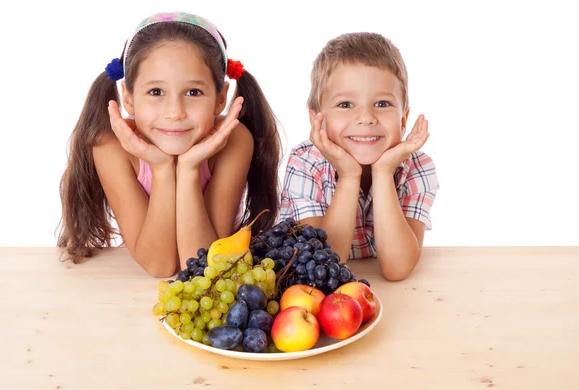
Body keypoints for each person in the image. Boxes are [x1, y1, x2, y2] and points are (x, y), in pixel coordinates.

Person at [57, 12, 281, 277]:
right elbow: (160, 266)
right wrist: (161, 168)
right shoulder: (109, 147)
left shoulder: (234, 140)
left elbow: (203, 267)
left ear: (221, 98)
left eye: (193, 92)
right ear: (128, 97)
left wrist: (188, 169)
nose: (175, 112)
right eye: (156, 92)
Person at [280, 32, 439, 281]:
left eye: (382, 103)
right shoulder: (305, 163)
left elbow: (398, 268)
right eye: (345, 105)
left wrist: (384, 172)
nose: (366, 117)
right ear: (316, 119)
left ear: (403, 120)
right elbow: (322, 264)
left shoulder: (417, 167)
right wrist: (349, 175)